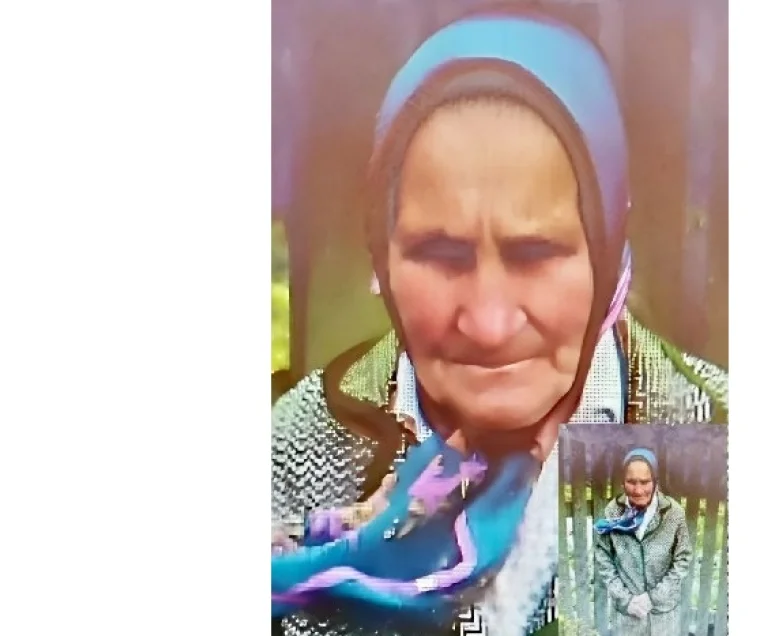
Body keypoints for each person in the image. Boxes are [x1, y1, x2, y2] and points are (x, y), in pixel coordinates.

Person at [270, 8, 728, 636]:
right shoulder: (297, 449)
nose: (488, 323)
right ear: (382, 253)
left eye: (535, 254)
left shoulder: (716, 441)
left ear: (606, 247)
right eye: (441, 254)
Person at [594, 449, 691, 636]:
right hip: (627, 618)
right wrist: (626, 601)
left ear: (655, 482)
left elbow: (683, 559)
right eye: (631, 482)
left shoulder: (673, 513)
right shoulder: (612, 512)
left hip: (664, 617)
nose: (638, 490)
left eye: (645, 482)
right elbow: (603, 558)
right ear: (623, 483)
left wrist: (653, 597)